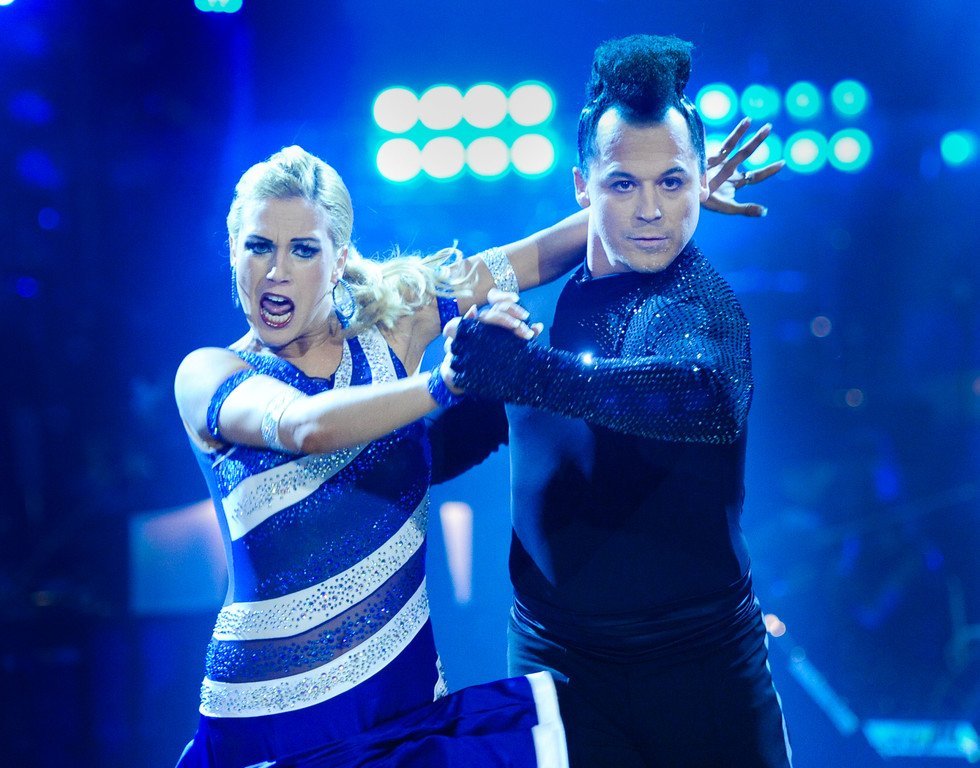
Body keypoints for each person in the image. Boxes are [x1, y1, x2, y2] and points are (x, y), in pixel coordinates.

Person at [172, 99, 773, 765]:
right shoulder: (208, 373)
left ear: (338, 261)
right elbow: (305, 427)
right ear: (233, 253)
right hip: (265, 726)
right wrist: (447, 381)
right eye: (258, 246)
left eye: (302, 249)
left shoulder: (395, 327)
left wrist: (669, 200)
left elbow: (533, 256)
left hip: (402, 710)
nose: (276, 270)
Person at [442, 34, 792, 767]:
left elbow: (700, 397)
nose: (652, 210)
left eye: (672, 183)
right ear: (583, 187)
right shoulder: (537, 311)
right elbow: (447, 450)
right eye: (624, 185)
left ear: (699, 183)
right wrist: (449, 382)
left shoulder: (699, 304)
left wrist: (526, 373)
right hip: (556, 666)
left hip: (704, 669)